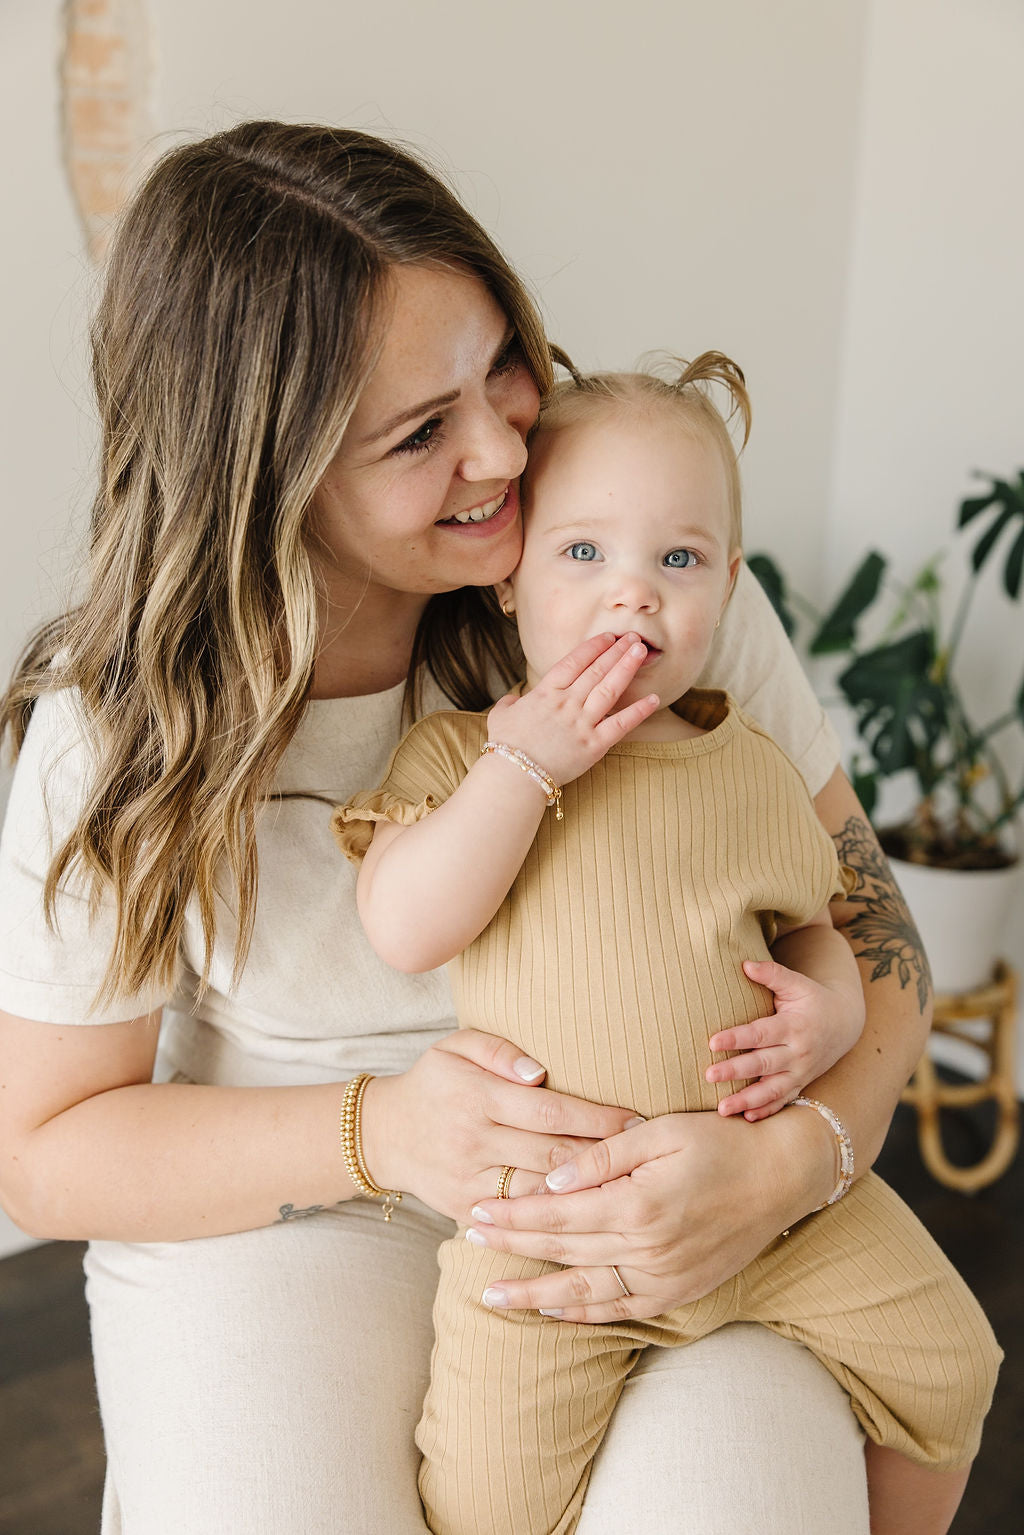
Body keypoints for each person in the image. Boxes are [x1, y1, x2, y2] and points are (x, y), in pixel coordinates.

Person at [0, 121, 947, 1535]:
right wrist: (387, 1128)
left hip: (660, 1174)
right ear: (267, 477)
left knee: (757, 1489)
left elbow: (880, 942)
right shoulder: (125, 724)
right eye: (419, 431)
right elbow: (43, 1146)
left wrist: (792, 1155)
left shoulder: (642, 573)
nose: (508, 445)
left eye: (499, 363)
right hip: (296, 1192)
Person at [334, 356, 1001, 1535]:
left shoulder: (749, 762)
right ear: (510, 580)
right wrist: (524, 764)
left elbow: (824, 926)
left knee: (956, 1360)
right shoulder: (462, 757)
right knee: (484, 1505)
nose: (631, 594)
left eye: (677, 559)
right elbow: (404, 923)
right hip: (547, 1232)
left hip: (774, 1211)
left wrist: (833, 1011)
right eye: (584, 554)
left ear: (728, 587)